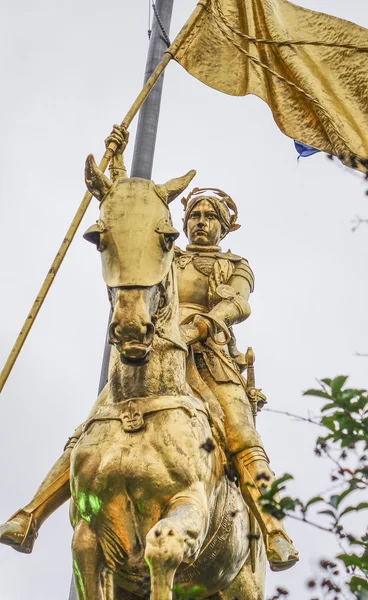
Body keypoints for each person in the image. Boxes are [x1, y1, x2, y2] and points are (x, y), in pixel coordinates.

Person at [0, 127, 298, 572]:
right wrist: (117, 163)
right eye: (194, 213)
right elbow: (131, 228)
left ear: (223, 224)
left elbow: (240, 301)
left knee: (242, 437)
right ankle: (30, 516)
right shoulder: (169, 255)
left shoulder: (234, 264)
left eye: (209, 215)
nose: (200, 221)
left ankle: (274, 531)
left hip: (209, 357)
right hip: (154, 349)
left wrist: (208, 323)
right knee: (90, 430)